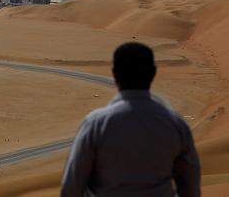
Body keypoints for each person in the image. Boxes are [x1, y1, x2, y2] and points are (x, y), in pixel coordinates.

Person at [60, 42, 200, 197]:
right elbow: (191, 186)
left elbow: (71, 188)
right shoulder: (175, 124)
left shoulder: (95, 124)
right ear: (153, 73)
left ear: (114, 74)